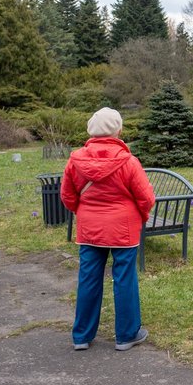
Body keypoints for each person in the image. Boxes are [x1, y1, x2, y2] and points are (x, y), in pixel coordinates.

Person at [61, 107, 155, 351]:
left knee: (88, 278)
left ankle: (81, 335)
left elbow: (68, 196)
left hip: (90, 228)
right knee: (124, 278)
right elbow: (146, 197)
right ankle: (126, 334)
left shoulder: (75, 160)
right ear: (118, 130)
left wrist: (83, 212)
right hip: (123, 228)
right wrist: (141, 216)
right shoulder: (129, 162)